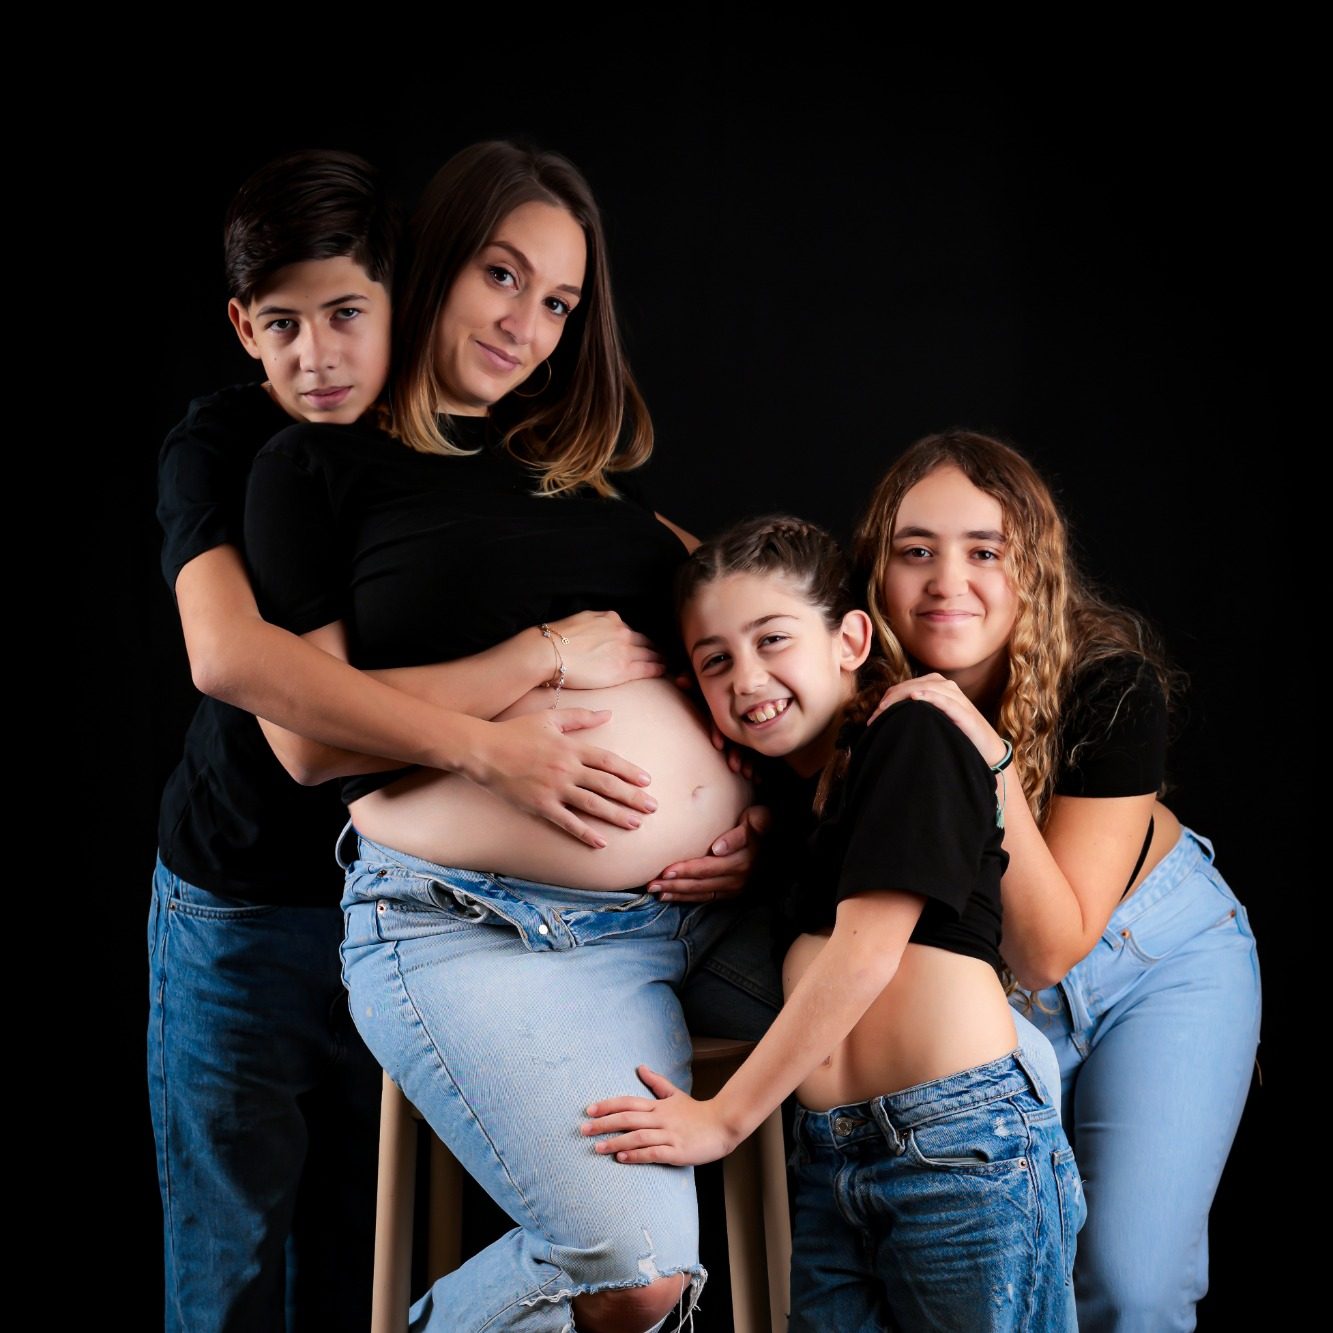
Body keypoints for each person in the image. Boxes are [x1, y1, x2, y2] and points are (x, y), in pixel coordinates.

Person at [151, 148, 716, 1333]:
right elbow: (251, 677)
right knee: (236, 1245)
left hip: (514, 919)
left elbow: (711, 583)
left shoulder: (517, 454)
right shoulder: (247, 445)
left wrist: (756, 804)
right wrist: (512, 711)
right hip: (255, 889)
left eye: (555, 301)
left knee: (359, 1235)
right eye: (500, 277)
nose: (319, 354)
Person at [583, 515, 1082, 1332]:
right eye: (716, 660)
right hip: (831, 1150)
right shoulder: (798, 795)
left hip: (960, 1144)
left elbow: (864, 955)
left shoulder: (911, 729)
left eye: (772, 639)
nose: (747, 677)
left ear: (849, 639)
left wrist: (722, 1117)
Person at [855, 429, 1261, 1332]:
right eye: (914, 550)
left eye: (984, 551)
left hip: (1154, 961)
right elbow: (725, 571)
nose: (946, 580)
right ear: (874, 569)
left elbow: (1046, 948)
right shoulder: (850, 679)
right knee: (1007, 1281)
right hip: (982, 996)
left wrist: (983, 749)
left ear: (1033, 567)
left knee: (1130, 1283)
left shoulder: (1107, 685)